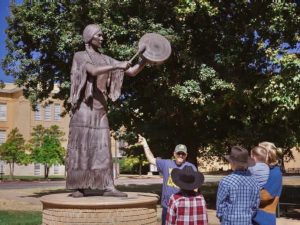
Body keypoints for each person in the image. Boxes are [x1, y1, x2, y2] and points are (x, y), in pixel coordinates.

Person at [66, 24, 147, 198]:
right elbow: (93, 71)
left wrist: (145, 59)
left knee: (103, 149)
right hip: (83, 110)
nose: (102, 38)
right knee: (82, 149)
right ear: (89, 37)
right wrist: (117, 65)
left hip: (100, 110)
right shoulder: (79, 56)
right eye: (99, 35)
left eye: (102, 36)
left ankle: (108, 186)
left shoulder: (106, 58)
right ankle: (79, 187)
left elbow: (131, 71)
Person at [138, 135, 197, 225]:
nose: (180, 155)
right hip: (167, 206)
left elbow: (195, 187)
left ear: (186, 155)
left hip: (184, 206)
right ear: (174, 153)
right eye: (178, 153)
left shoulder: (191, 167)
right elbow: (151, 159)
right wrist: (145, 144)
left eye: (183, 154)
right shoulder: (166, 163)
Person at [216, 146, 260, 225]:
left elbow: (220, 206)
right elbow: (255, 206)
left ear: (232, 163)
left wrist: (223, 217)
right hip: (247, 221)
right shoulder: (254, 182)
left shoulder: (226, 181)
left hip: (229, 221)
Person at [253, 142, 282, 225]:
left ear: (267, 155)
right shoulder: (262, 170)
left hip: (263, 219)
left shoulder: (275, 172)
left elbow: (266, 195)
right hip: (254, 217)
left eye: (260, 151)